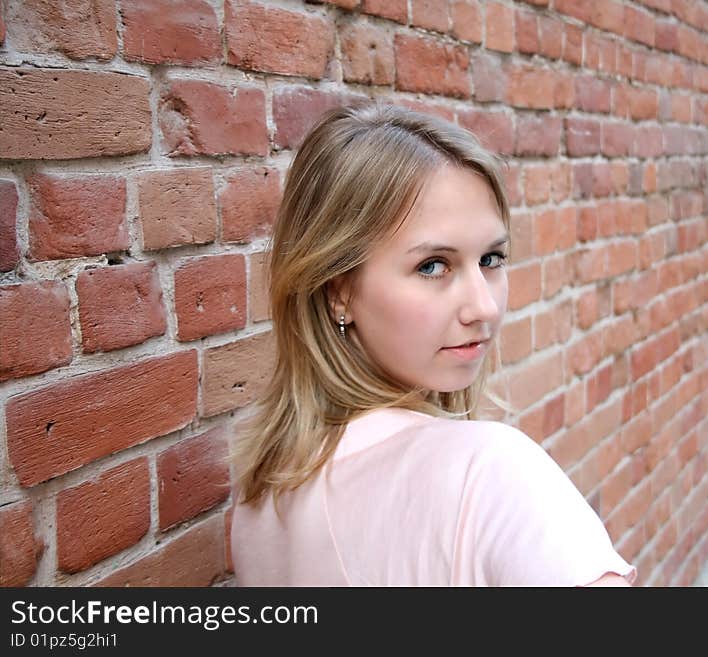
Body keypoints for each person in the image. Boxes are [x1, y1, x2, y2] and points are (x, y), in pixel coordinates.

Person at [230, 101, 636, 587]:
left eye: (491, 258)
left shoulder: (259, 506)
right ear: (338, 290)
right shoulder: (488, 473)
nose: (483, 307)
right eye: (433, 266)